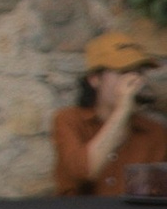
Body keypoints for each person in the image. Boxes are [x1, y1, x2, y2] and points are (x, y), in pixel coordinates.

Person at [51, 32, 167, 195]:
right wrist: (121, 111)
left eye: (139, 72)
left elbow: (154, 196)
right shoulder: (68, 120)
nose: (134, 81)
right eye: (123, 72)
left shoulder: (154, 132)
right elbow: (83, 172)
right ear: (95, 79)